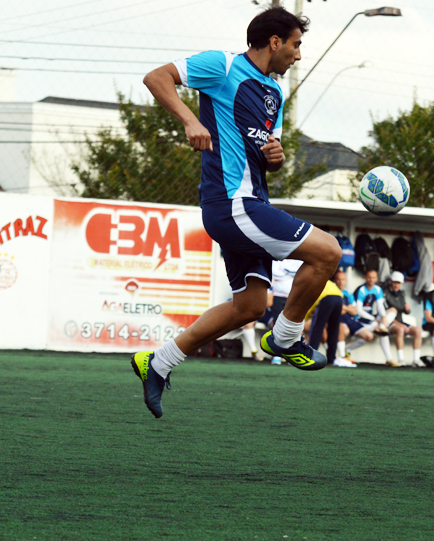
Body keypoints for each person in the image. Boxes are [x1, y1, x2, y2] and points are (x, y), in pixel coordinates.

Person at [130, 6, 341, 418]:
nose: (299, 55)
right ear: (275, 41)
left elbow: (268, 157)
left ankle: (158, 362)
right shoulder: (222, 65)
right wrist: (191, 121)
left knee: (250, 307)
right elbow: (156, 78)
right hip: (232, 205)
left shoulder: (274, 93)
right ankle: (285, 338)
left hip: (250, 203)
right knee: (329, 252)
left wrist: (275, 157)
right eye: (296, 45)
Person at [304, 278, 355, 368]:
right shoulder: (329, 282)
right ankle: (331, 359)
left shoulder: (312, 282)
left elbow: (310, 301)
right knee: (334, 329)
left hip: (326, 299)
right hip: (339, 300)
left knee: (317, 327)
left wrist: (305, 317)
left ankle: (310, 356)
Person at [354, 269, 399, 366]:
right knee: (378, 333)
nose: (371, 279)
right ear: (365, 278)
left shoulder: (378, 289)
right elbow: (359, 311)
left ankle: (389, 358)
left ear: (377, 279)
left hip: (373, 319)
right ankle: (389, 359)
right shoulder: (361, 290)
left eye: (373, 277)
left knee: (392, 311)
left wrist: (383, 317)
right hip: (360, 320)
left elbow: (380, 306)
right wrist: (374, 319)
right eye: (369, 277)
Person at [333, 270, 374, 363]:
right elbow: (336, 311)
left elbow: (355, 311)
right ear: (335, 280)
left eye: (343, 279)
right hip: (339, 321)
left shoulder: (348, 293)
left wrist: (344, 308)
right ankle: (341, 357)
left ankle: (347, 349)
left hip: (350, 320)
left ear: (346, 281)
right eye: (338, 279)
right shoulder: (332, 292)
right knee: (344, 331)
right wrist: (348, 308)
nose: (341, 282)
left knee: (369, 336)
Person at [382, 271, 422, 367]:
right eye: (395, 282)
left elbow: (405, 311)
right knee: (400, 330)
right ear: (391, 281)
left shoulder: (401, 294)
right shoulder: (385, 293)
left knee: (417, 331)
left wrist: (407, 310)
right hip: (389, 323)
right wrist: (401, 325)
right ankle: (401, 359)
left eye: (398, 283)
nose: (396, 285)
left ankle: (416, 359)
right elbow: (385, 315)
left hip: (400, 321)